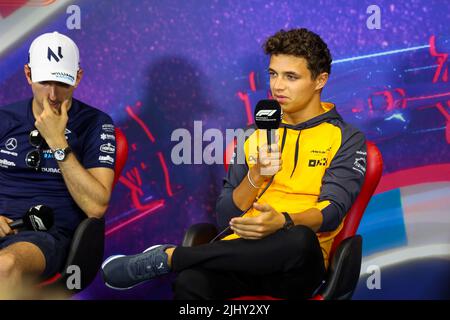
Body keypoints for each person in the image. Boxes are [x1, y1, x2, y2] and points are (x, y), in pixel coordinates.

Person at [101, 28, 367, 299]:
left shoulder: (347, 138)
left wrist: (283, 221)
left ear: (320, 80)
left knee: (299, 238)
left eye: (291, 77)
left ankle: (170, 258)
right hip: (239, 258)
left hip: (295, 265)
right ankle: (179, 262)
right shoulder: (253, 135)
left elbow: (333, 212)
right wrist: (256, 175)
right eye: (274, 74)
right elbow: (225, 216)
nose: (277, 86)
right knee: (191, 282)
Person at [0, 31, 116, 293]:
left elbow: (96, 207)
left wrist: (57, 142)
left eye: (62, 83)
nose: (53, 95)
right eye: (44, 81)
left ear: (77, 77)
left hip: (46, 237)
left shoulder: (95, 123)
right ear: (28, 74)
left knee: (4, 266)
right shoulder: (5, 119)